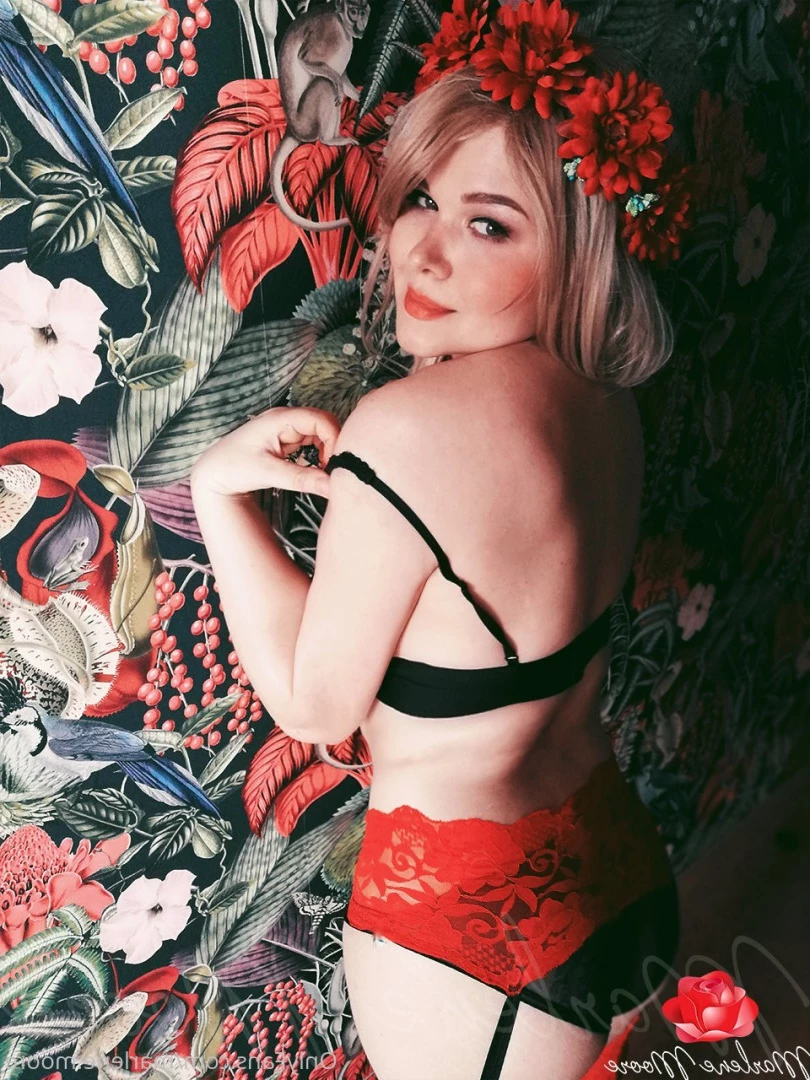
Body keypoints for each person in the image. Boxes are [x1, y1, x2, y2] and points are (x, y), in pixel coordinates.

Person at [191, 35, 687, 1080]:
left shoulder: (409, 430)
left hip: (471, 942)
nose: (423, 252)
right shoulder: (608, 399)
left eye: (488, 223)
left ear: (576, 248)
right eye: (422, 199)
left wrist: (215, 493)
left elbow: (317, 706)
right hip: (621, 863)